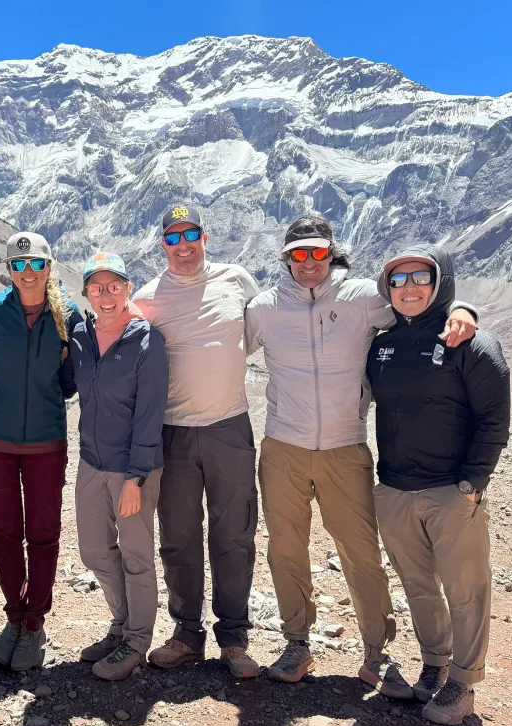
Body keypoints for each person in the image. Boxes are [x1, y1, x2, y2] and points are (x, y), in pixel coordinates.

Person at [245, 217, 479, 694]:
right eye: (299, 254)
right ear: (286, 258)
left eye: (318, 253)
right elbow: (218, 344)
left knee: (361, 552)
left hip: (345, 448)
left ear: (333, 253)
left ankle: (378, 652)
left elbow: (418, 308)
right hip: (282, 446)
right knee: (286, 548)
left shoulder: (361, 299)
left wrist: (463, 306)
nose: (309, 263)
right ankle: (296, 643)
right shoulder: (263, 308)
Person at [366, 244, 509, 725]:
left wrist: (472, 484)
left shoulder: (471, 344)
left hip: (451, 491)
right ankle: (435, 664)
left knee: (465, 589)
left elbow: (494, 418)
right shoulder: (382, 342)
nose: (408, 288)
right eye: (398, 280)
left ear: (441, 281)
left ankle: (464, 682)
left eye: (419, 277)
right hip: (394, 488)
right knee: (419, 584)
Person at [132, 205, 261, 678]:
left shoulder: (237, 279)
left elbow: (264, 328)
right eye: (172, 238)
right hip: (173, 433)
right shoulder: (148, 297)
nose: (182, 245)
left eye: (190, 235)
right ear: (162, 244)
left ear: (205, 237)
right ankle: (186, 633)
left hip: (230, 427)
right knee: (180, 536)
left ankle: (234, 638)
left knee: (235, 535)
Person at [0, 232, 80, 671]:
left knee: (43, 533)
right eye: (19, 265)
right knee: (3, 533)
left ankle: (35, 623)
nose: (28, 272)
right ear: (9, 270)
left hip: (45, 441)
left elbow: (71, 379)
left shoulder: (67, 315)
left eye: (36, 264)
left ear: (49, 268)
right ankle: (13, 619)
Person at [69, 253, 169, 680]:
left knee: (135, 555)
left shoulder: (147, 341)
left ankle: (136, 640)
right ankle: (120, 624)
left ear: (129, 288)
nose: (106, 295)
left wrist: (136, 478)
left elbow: (150, 414)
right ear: (87, 292)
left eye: (114, 286)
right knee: (94, 550)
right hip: (92, 462)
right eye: (97, 287)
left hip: (133, 467)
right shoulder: (80, 336)